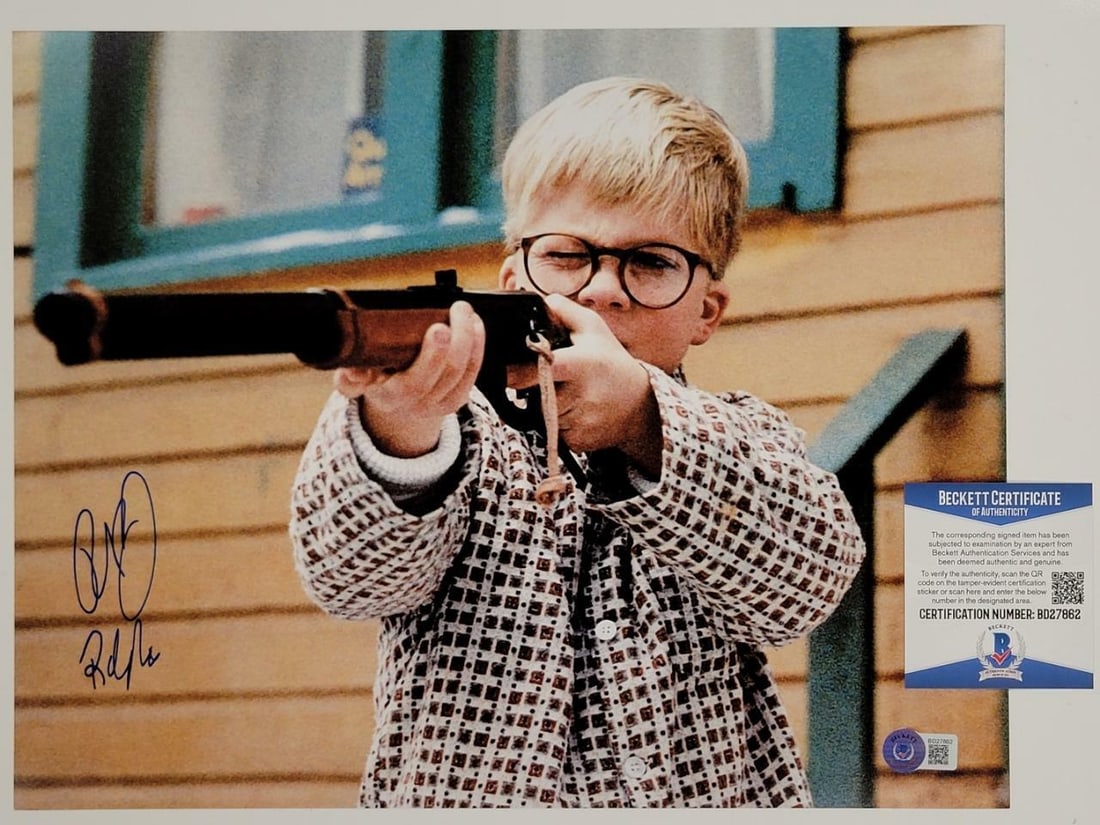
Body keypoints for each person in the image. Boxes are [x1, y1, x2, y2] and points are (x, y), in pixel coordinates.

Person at [290, 76, 866, 808]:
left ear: (706, 312)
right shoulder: (446, 424)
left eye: (652, 262)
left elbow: (806, 583)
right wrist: (402, 433)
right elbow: (352, 579)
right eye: (567, 255)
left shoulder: (740, 437)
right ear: (512, 275)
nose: (602, 290)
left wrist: (639, 419)